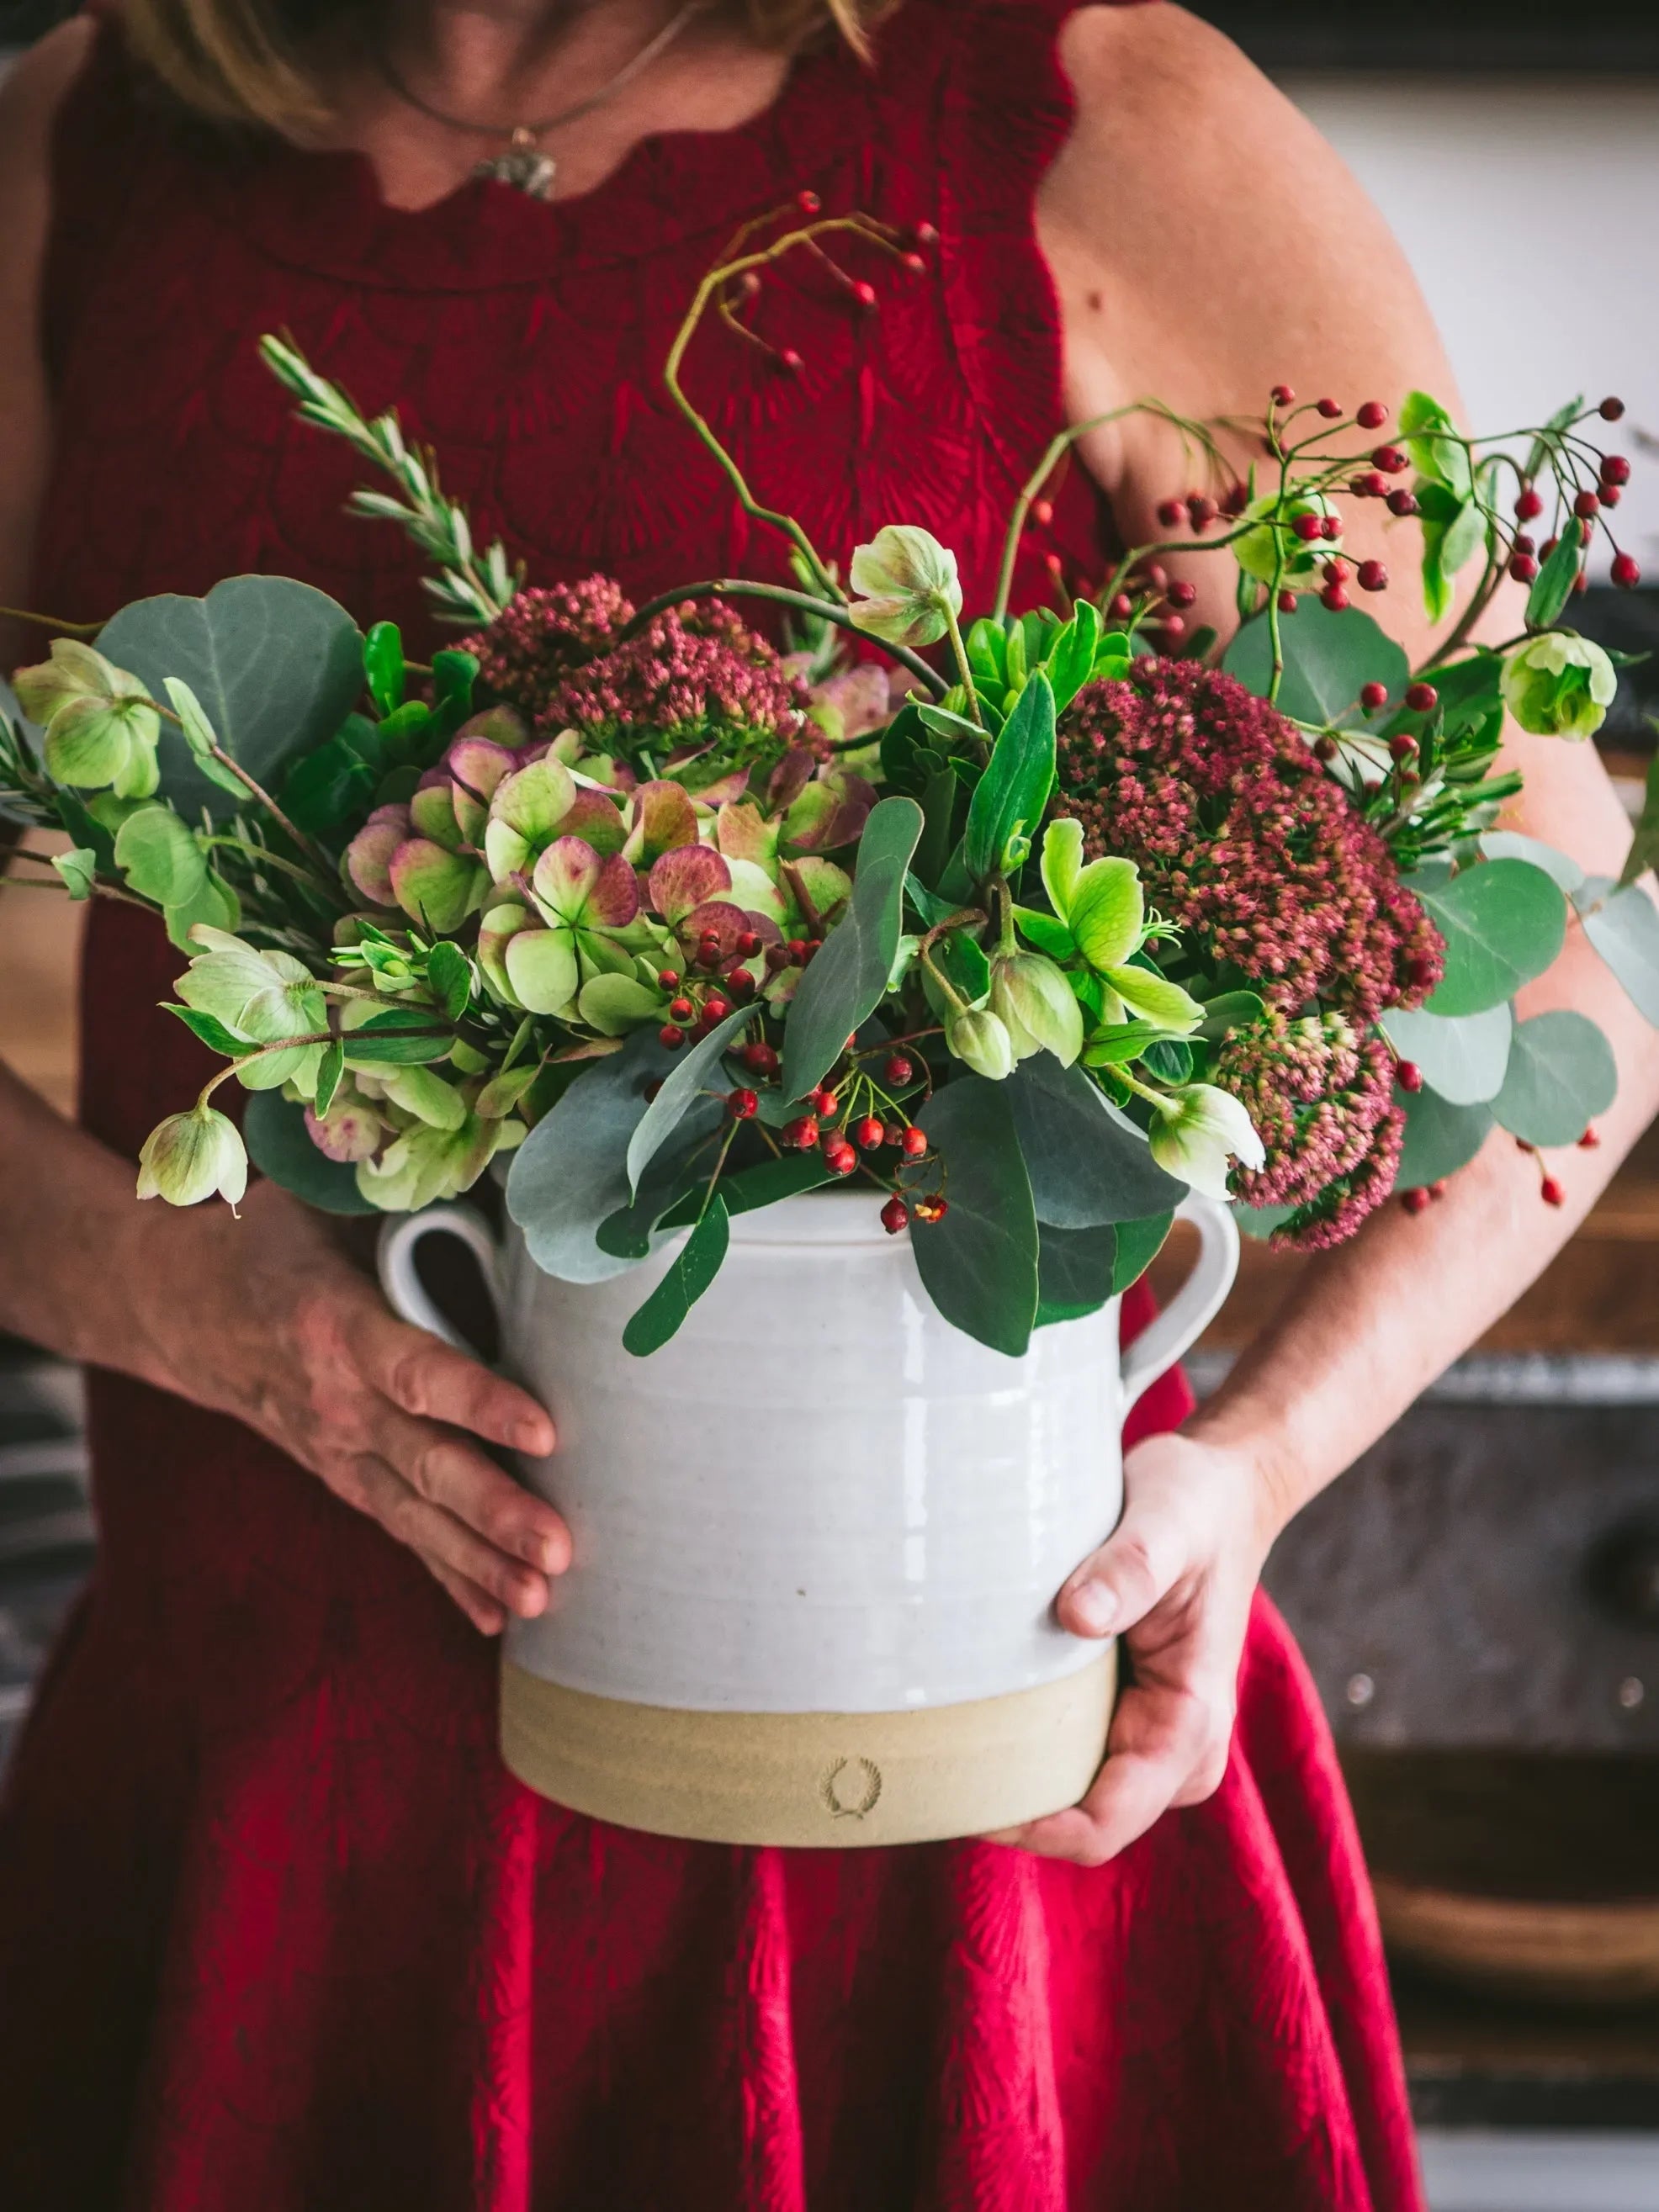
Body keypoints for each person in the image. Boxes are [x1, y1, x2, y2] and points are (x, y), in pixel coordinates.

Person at [0, 3, 1651, 2205]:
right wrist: (182, 1298)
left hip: (954, 1768)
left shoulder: (1091, 122)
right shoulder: (79, 149)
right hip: (279, 1806)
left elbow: (1555, 972)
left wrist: (1251, 1468)